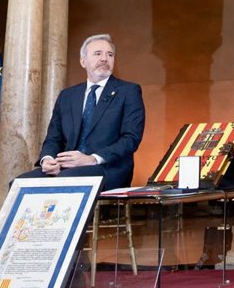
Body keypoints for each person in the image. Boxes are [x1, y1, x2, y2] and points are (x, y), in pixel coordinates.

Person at [17, 34, 145, 192]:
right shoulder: (67, 96)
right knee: (19, 184)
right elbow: (53, 138)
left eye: (110, 55)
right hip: (66, 168)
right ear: (83, 61)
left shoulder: (128, 91)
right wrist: (48, 159)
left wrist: (91, 159)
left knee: (67, 179)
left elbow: (131, 138)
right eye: (98, 53)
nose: (104, 59)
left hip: (107, 168)